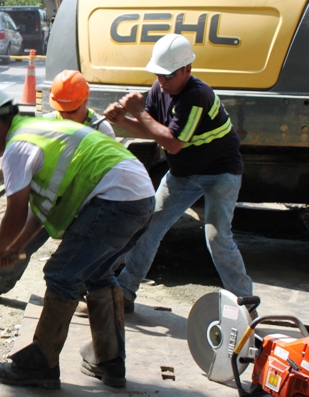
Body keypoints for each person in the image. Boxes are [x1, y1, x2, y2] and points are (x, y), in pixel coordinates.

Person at [0, 88, 155, 389]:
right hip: (141, 196)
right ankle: (110, 362)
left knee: (61, 273)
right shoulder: (43, 130)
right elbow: (41, 213)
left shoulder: (18, 146)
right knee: (98, 274)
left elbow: (14, 215)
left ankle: (41, 363)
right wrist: (14, 249)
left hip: (116, 198)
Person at [104, 33, 253, 314]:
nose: (163, 81)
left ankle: (246, 306)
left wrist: (137, 111)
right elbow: (151, 130)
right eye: (159, 74)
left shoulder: (196, 95)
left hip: (220, 173)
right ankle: (124, 293)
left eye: (169, 75)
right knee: (148, 227)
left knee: (217, 238)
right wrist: (122, 119)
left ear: (188, 70)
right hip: (184, 174)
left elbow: (172, 142)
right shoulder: (160, 88)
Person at [0, 70, 116, 303]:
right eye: (62, 110)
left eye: (72, 110)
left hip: (87, 199)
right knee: (25, 235)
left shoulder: (101, 129)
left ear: (85, 102)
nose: (66, 116)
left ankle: (82, 294)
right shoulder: (47, 123)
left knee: (78, 253)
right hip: (55, 196)